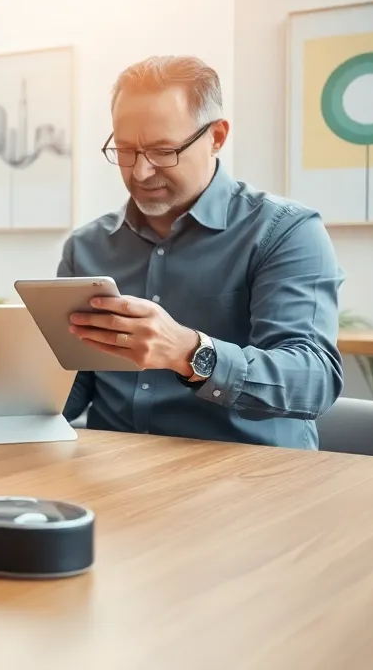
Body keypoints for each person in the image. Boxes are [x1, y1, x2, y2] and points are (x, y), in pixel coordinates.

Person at [59, 55, 344, 449]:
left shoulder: (286, 232)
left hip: (248, 482)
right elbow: (70, 387)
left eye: (163, 151)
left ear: (217, 136)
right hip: (112, 474)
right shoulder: (85, 248)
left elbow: (314, 380)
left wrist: (190, 353)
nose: (140, 172)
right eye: (125, 150)